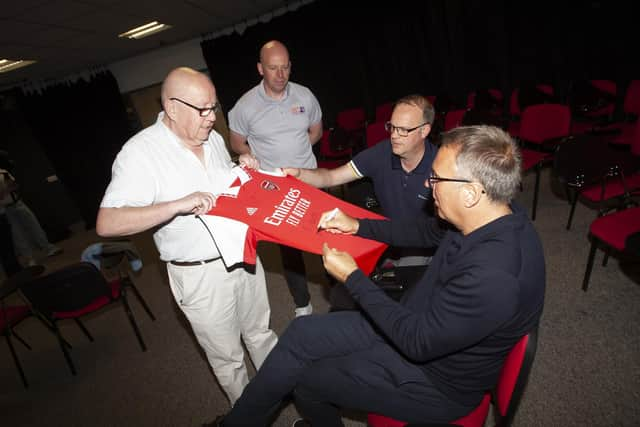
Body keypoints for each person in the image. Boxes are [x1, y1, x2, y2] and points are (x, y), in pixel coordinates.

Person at [217, 125, 546, 426]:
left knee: (306, 380)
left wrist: (353, 277)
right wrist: (358, 225)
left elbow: (418, 342)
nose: (429, 186)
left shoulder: (496, 277)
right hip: (418, 316)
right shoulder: (497, 210)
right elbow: (425, 232)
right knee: (303, 332)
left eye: (437, 179)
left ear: (471, 193)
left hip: (436, 381)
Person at [95, 67, 278, 407]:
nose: (211, 118)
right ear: (172, 107)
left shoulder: (214, 138)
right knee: (229, 358)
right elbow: (107, 223)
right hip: (200, 274)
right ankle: (252, 415)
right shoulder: (140, 153)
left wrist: (243, 169)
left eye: (214, 108)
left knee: (262, 333)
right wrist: (176, 205)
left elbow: (222, 189)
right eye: (202, 110)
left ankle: (278, 399)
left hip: (243, 252)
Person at [284, 94, 437, 309]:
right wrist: (299, 173)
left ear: (424, 131)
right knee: (342, 298)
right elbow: (331, 177)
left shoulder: (440, 166)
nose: (394, 135)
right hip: (387, 239)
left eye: (403, 130)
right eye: (391, 127)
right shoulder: (382, 153)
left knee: (406, 303)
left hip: (423, 247)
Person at [228, 40, 323, 317]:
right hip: (276, 188)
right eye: (273, 68)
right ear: (260, 69)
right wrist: (257, 160)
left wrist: (299, 156)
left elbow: (315, 132)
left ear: (290, 67)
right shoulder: (245, 106)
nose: (280, 75)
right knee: (290, 249)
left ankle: (339, 289)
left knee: (326, 236)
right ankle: (303, 303)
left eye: (285, 68)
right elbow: (237, 143)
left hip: (310, 179)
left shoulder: (305, 96)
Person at [0, 151, 62, 266]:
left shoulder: (3, 172)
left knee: (33, 224)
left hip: (17, 203)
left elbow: (14, 185)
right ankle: (29, 258)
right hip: (4, 209)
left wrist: (7, 188)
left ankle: (48, 248)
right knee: (17, 235)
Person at [0, 168, 22, 277]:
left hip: (2, 213)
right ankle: (14, 273)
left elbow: (13, 186)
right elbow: (1, 195)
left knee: (7, 247)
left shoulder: (2, 173)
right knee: (6, 247)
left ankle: (14, 271)